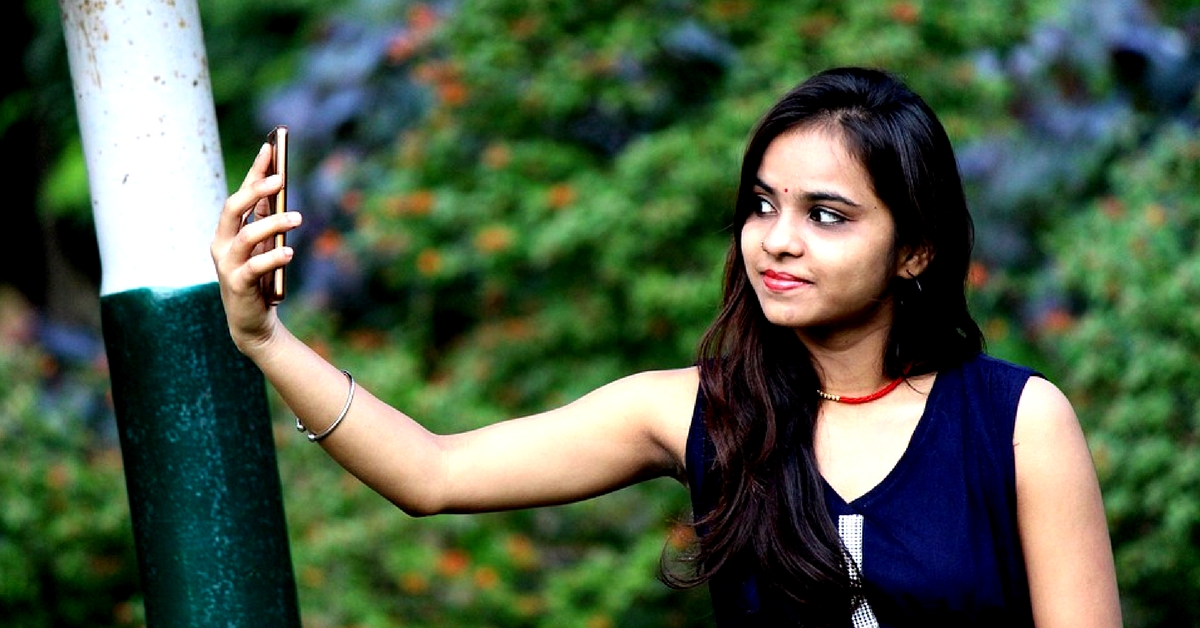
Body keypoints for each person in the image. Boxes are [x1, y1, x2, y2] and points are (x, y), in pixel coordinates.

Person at [211, 66, 1122, 627]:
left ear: (915, 248)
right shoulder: (695, 410)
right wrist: (264, 338)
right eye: (763, 205)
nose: (778, 240)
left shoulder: (1014, 423)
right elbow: (434, 474)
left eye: (827, 216)